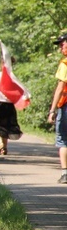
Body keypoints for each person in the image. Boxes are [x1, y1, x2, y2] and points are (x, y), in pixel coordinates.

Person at [47, 33, 67, 184]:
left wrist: (52, 110)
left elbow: (60, 88)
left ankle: (65, 173)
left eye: (62, 44)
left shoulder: (65, 63)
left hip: (65, 105)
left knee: (63, 140)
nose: (61, 47)